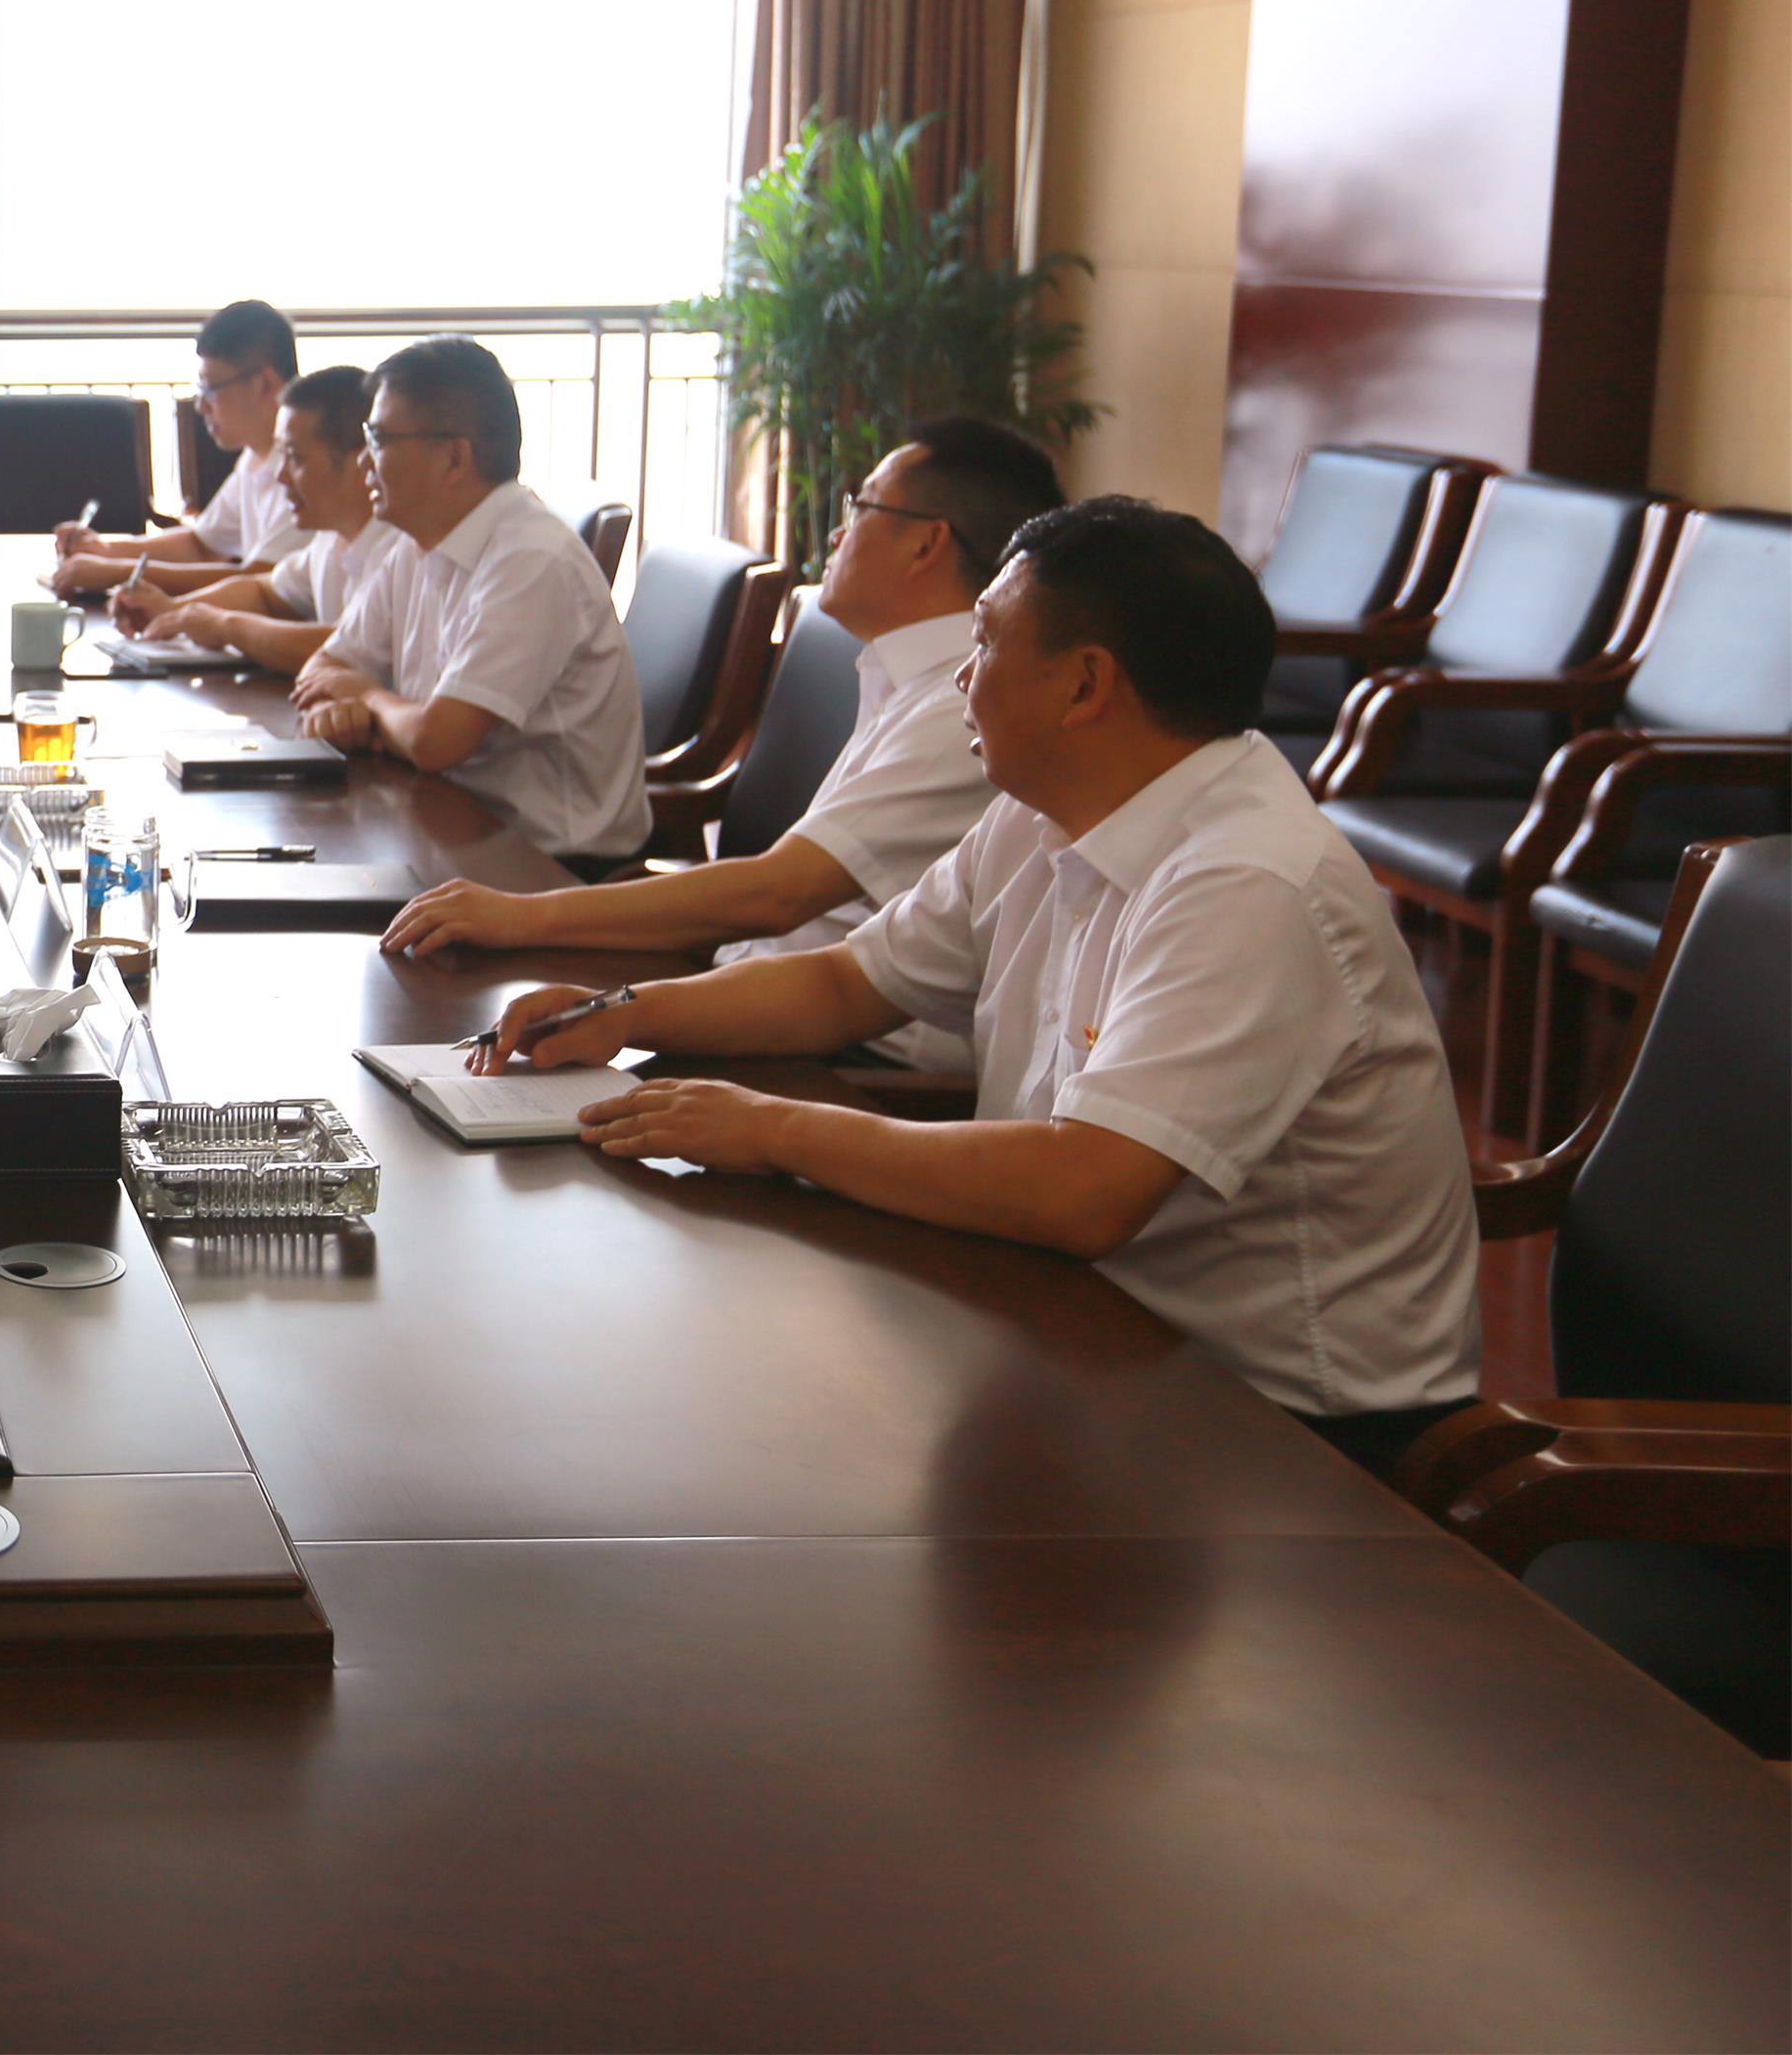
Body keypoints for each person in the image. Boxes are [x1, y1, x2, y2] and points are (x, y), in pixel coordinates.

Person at [480, 498, 1481, 1466]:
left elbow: (1084, 1191)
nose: (961, 674)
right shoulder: (1043, 807)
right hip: (1083, 1324)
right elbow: (846, 983)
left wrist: (773, 1130)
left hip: (1284, 1430)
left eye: (987, 642)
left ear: (1084, 686)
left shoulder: (1248, 881)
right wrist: (624, 1013)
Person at [379, 416, 1068, 1063]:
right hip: (757, 994)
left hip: (839, 1057)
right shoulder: (903, 676)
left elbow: (778, 894)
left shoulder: (962, 710)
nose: (836, 531)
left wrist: (520, 919)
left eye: (861, 507)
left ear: (926, 543)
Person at [290, 337, 648, 871]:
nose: (363, 459)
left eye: (379, 438)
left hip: (552, 866)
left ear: (454, 458)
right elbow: (322, 670)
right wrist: (347, 708)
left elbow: (437, 741)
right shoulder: (415, 543)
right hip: (447, 822)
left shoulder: (531, 559)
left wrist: (366, 698)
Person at [105, 366, 409, 677]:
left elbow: (346, 649)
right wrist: (175, 611)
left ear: (360, 461)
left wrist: (224, 626)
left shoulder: (399, 543)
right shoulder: (331, 538)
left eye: (295, 458)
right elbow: (266, 592)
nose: (281, 475)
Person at [46, 299, 303, 597]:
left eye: (210, 390)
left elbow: (262, 583)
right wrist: (104, 550)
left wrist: (121, 571)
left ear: (264, 384)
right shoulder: (255, 457)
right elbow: (201, 545)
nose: (201, 406)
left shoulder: (304, 468)